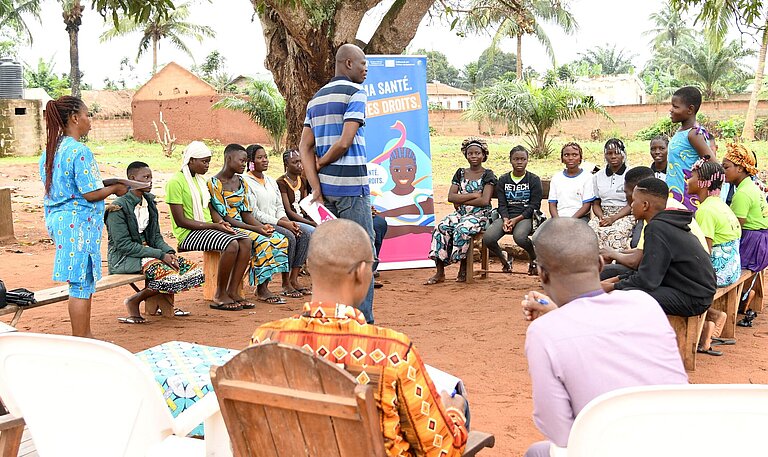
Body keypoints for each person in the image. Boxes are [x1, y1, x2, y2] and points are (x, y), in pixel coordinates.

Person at [251, 219, 469, 457]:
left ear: (310, 266)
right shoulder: (393, 352)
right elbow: (440, 451)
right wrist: (455, 412)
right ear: (360, 272)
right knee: (457, 404)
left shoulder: (265, 339)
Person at [521, 217, 688, 457]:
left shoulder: (544, 333)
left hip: (604, 448)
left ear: (541, 274)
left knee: (537, 452)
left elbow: (560, 434)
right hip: (678, 442)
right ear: (600, 264)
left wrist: (555, 320)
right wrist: (557, 315)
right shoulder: (645, 304)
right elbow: (596, 323)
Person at [299, 42, 376, 324]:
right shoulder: (356, 93)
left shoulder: (315, 99)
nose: (366, 69)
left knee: (332, 256)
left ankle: (331, 321)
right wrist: (321, 163)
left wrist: (316, 185)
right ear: (348, 64)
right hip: (352, 189)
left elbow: (304, 146)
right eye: (363, 63)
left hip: (326, 192)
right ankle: (362, 323)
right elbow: (345, 142)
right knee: (363, 255)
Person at [40, 96, 129, 337]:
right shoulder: (79, 151)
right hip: (78, 225)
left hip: (60, 221)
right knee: (80, 284)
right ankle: (81, 338)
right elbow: (90, 194)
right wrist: (116, 189)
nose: (90, 120)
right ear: (74, 118)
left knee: (83, 281)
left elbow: (70, 187)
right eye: (87, 115)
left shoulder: (50, 151)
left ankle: (85, 335)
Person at [105, 162, 202, 323]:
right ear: (132, 178)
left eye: (151, 177)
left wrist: (169, 252)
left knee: (191, 271)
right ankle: (134, 301)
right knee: (168, 274)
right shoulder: (117, 207)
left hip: (148, 254)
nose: (150, 181)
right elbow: (123, 245)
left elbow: (155, 237)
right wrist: (160, 255)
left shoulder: (149, 202)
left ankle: (161, 305)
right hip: (123, 258)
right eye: (145, 177)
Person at [605, 178, 716, 317]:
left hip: (694, 298)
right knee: (621, 286)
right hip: (691, 290)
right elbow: (649, 270)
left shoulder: (656, 228)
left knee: (623, 296)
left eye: (634, 201)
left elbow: (647, 280)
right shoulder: (663, 223)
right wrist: (614, 280)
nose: (631, 205)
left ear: (645, 205)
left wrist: (612, 286)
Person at [166, 141, 252, 311]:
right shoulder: (175, 182)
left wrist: (220, 223)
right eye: (204, 162)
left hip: (206, 228)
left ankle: (232, 291)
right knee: (231, 244)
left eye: (208, 162)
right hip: (188, 233)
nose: (207, 165)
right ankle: (219, 294)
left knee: (246, 241)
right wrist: (214, 227)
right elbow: (181, 221)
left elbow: (210, 208)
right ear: (191, 160)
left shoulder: (200, 180)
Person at [208, 144, 290, 304]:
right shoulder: (215, 183)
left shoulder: (241, 182)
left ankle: (261, 287)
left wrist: (261, 227)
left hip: (243, 225)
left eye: (246, 161)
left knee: (279, 239)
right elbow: (226, 217)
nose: (244, 164)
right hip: (227, 226)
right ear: (228, 158)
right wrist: (256, 229)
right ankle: (244, 290)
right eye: (241, 160)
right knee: (262, 241)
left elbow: (246, 213)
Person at [600, 166, 709, 281]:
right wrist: (615, 253)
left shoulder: (657, 217)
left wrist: (612, 255)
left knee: (607, 272)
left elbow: (635, 261)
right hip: (696, 272)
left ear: (639, 194)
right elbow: (643, 251)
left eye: (628, 194)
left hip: (687, 278)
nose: (629, 201)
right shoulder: (665, 204)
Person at [243, 144, 312, 298]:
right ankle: (284, 283)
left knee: (303, 234)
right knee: (290, 237)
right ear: (251, 162)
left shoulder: (270, 180)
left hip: (278, 221)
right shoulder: (246, 181)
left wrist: (288, 222)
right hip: (258, 223)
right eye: (260, 158)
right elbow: (255, 213)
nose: (265, 160)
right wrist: (283, 224)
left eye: (265, 157)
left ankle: (293, 280)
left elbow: (279, 206)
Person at [425, 137, 496, 285]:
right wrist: (474, 195)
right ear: (466, 155)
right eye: (470, 153)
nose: (474, 156)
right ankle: (440, 272)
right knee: (441, 227)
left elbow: (484, 201)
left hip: (480, 215)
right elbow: (451, 197)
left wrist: (461, 199)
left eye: (477, 153)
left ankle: (463, 267)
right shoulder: (460, 173)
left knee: (462, 228)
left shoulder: (488, 174)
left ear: (484, 155)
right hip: (460, 213)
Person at [687, 159, 740, 356]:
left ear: (704, 183)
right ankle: (712, 317)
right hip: (732, 267)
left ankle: (709, 322)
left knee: (678, 280)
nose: (688, 180)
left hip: (720, 271)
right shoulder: (721, 205)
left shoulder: (705, 211)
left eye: (692, 176)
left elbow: (704, 253)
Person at [482, 145, 542, 275]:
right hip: (507, 216)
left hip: (525, 217)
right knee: (488, 238)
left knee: (520, 237)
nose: (519, 162)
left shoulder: (533, 179)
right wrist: (505, 220)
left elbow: (535, 205)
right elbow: (502, 204)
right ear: (510, 160)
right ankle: (504, 258)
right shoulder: (504, 180)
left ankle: (534, 258)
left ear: (527, 160)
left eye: (523, 159)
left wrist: (516, 220)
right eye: (516, 159)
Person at [667, 86, 715, 211]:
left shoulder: (693, 134)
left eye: (675, 107)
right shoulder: (682, 131)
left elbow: (713, 165)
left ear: (690, 109)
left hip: (687, 197)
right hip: (675, 193)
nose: (671, 110)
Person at [722, 143, 768, 273]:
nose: (723, 171)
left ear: (740, 168)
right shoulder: (751, 186)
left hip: (753, 245)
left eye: (726, 167)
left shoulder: (742, 193)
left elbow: (735, 229)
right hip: (762, 242)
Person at [375, 147, 435, 238]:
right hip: (392, 246)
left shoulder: (425, 194)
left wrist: (387, 213)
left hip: (422, 244)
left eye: (409, 169)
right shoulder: (381, 198)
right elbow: (381, 231)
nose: (403, 174)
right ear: (390, 170)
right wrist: (413, 229)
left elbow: (428, 208)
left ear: (415, 169)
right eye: (397, 170)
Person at [588, 139, 634, 250]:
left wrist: (613, 218)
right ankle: (596, 259)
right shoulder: (597, 176)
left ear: (623, 154)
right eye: (609, 153)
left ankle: (615, 260)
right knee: (590, 231)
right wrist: (601, 217)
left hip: (625, 214)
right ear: (605, 155)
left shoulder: (631, 174)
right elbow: (596, 203)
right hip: (603, 214)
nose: (613, 156)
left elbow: (632, 204)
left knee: (615, 232)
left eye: (617, 153)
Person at [547, 143, 595, 222]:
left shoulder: (588, 177)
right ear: (562, 159)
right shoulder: (556, 178)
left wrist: (570, 221)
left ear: (580, 158)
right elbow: (552, 204)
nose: (570, 158)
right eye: (566, 155)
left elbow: (586, 206)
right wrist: (557, 220)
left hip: (580, 218)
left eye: (575, 155)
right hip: (559, 218)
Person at [276, 149, 315, 228]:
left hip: (304, 218)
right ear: (286, 164)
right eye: (295, 162)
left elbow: (305, 205)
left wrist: (313, 219)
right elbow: (288, 211)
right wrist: (310, 223)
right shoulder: (281, 183)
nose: (299, 165)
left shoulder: (303, 180)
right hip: (291, 221)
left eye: (300, 161)